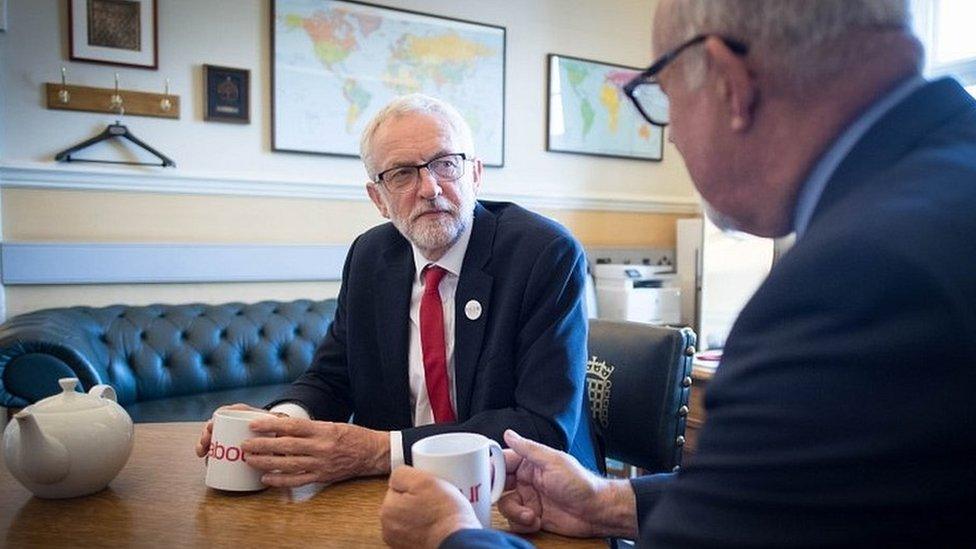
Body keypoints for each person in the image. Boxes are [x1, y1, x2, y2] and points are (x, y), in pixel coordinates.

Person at [379, 0, 976, 546]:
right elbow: (798, 497)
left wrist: (453, 533)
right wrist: (609, 501)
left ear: (727, 82)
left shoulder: (852, 283)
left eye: (663, 99)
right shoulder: (940, 192)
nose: (677, 141)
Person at [195, 94, 599, 486]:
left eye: (445, 164)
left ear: (475, 174)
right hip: (401, 495)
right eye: (403, 173)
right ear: (379, 198)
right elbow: (333, 378)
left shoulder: (544, 254)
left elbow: (540, 428)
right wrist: (279, 426)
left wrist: (379, 450)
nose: (430, 188)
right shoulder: (370, 257)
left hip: (526, 494)